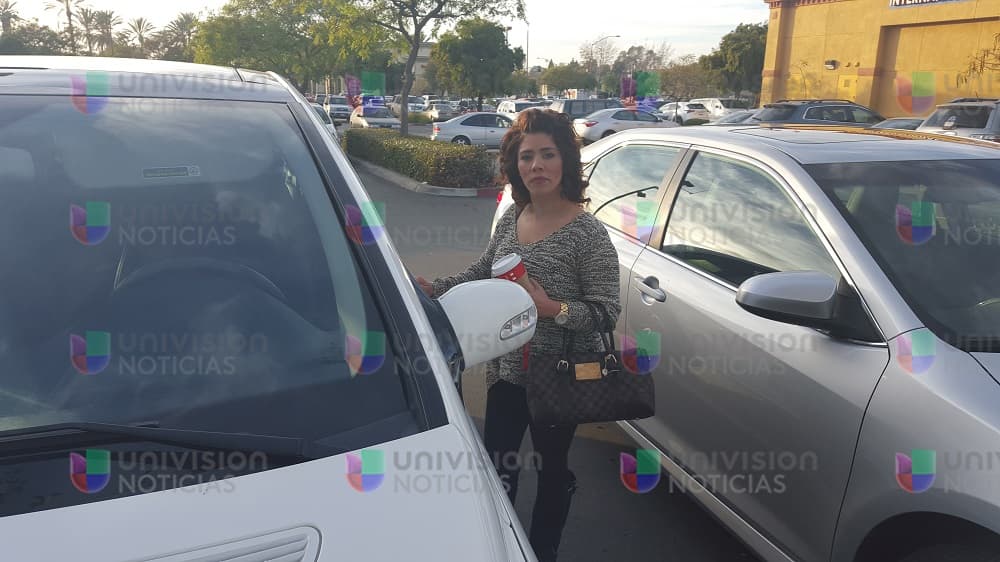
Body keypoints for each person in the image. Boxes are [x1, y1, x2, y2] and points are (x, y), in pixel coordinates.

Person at [415, 109, 621, 562]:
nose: (537, 165)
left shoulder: (588, 234)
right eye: (527, 157)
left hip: (560, 377)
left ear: (566, 161)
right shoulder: (513, 216)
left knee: (551, 469)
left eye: (548, 154)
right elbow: (482, 270)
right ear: (515, 165)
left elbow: (606, 312)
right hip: (507, 370)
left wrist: (553, 309)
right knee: (498, 466)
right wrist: (436, 288)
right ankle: (501, 547)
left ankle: (543, 549)